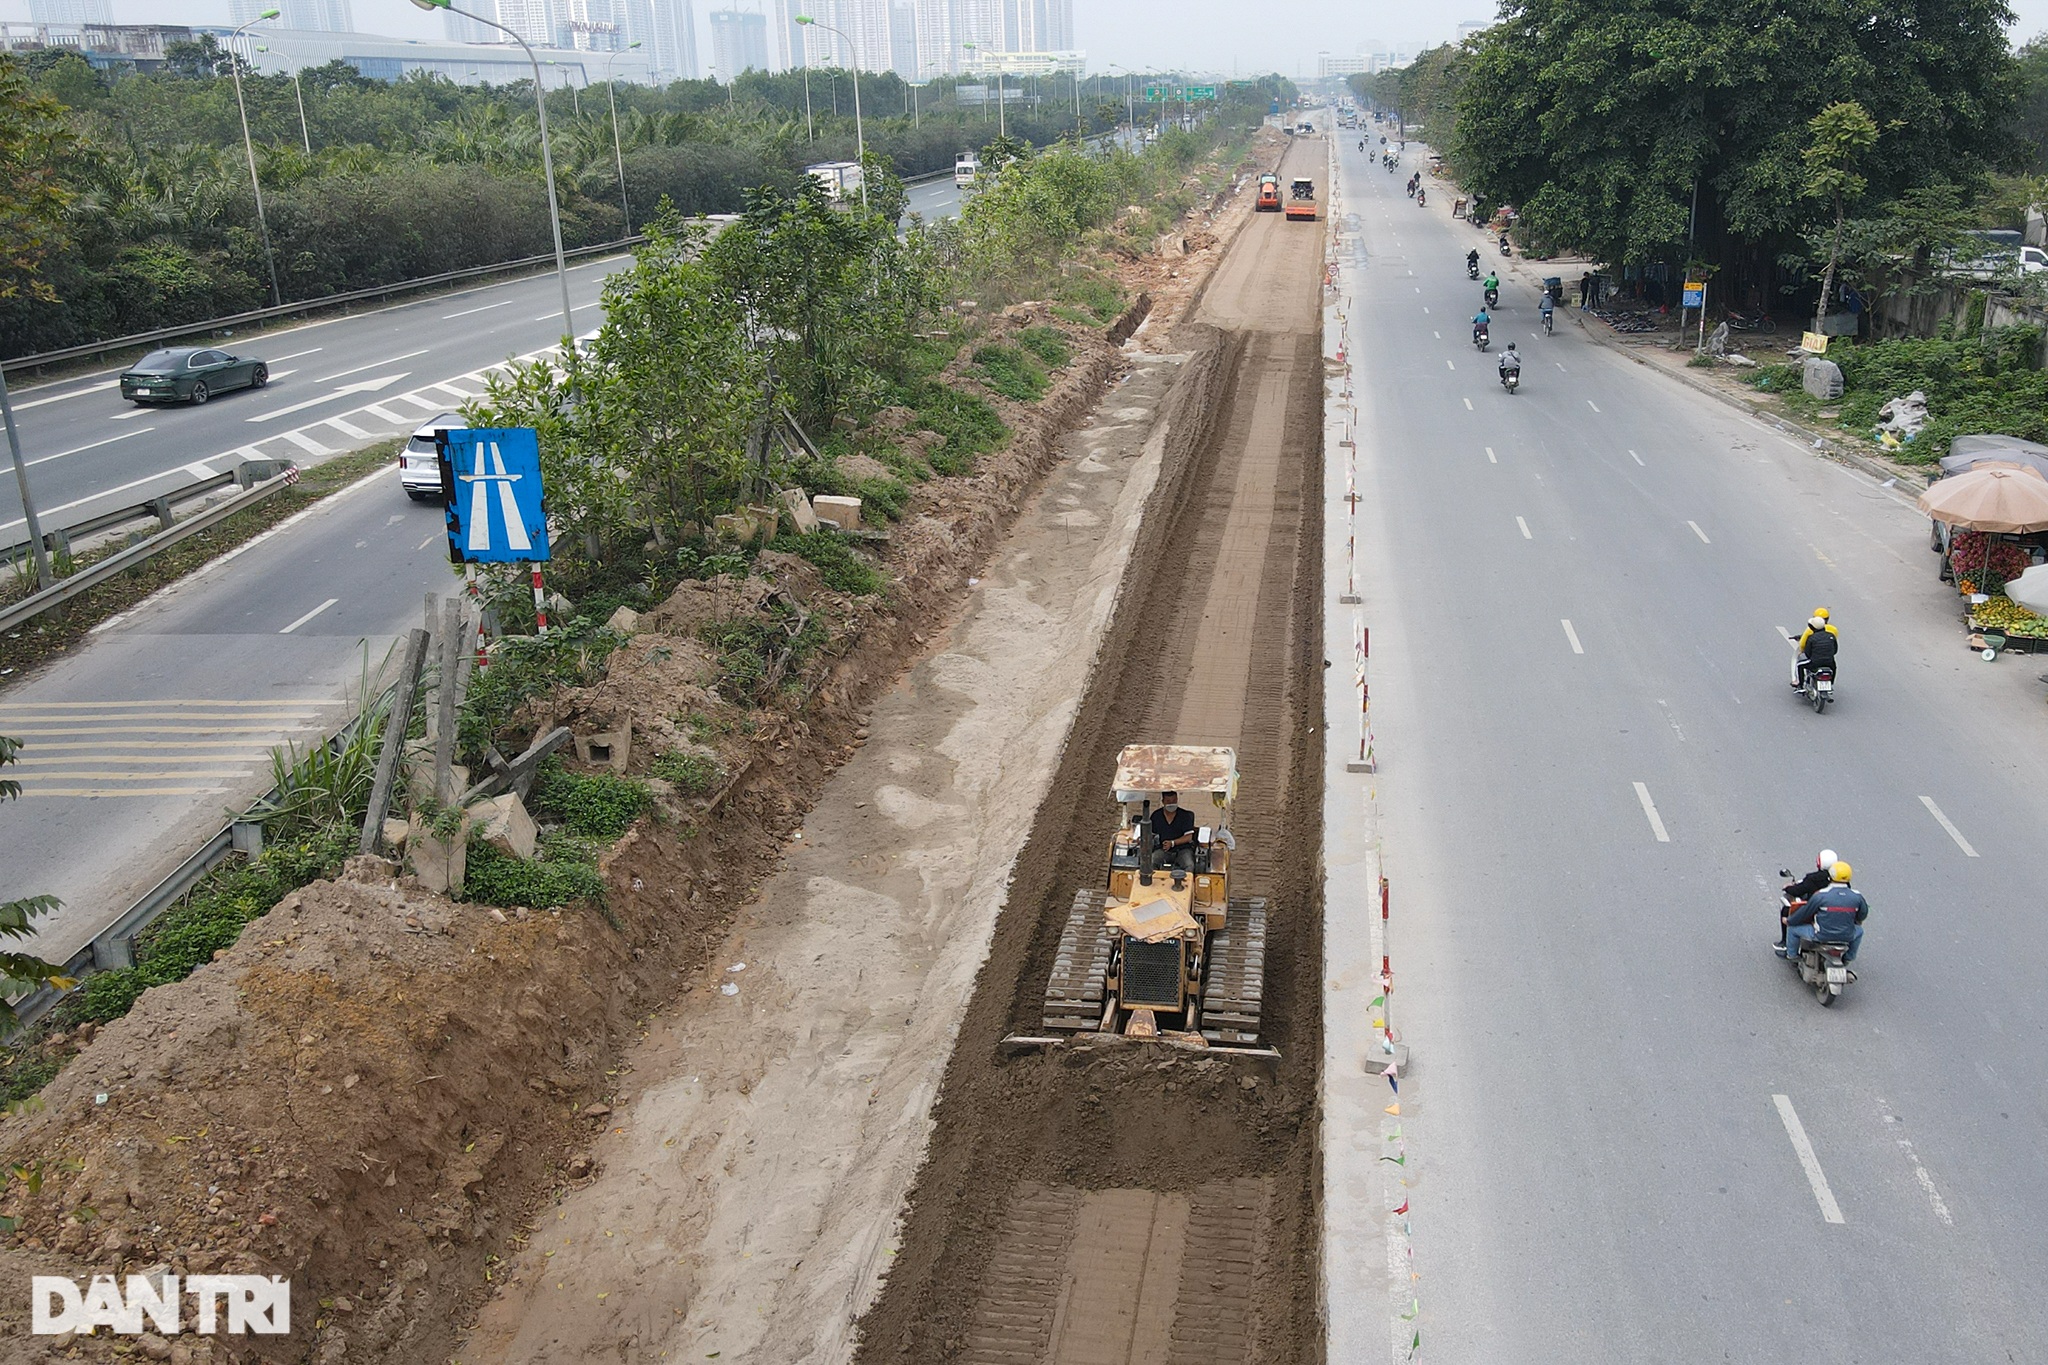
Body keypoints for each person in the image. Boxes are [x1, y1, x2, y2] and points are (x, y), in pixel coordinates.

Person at [1783, 861, 1867, 965]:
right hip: (1847, 936)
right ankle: (1849, 957)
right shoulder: (1857, 896)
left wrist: (1789, 921)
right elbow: (1863, 915)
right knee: (1860, 931)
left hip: (1821, 935)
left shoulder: (1820, 896)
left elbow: (1804, 913)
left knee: (1793, 929)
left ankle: (1792, 955)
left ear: (1830, 876)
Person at [1777, 848, 1839, 949]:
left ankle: (1786, 944)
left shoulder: (1813, 879)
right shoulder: (1841, 881)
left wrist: (1788, 887)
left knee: (1787, 912)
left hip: (1816, 915)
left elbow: (1798, 890)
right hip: (1837, 918)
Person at [1148, 791, 1198, 873]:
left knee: (1189, 865)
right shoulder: (1156, 816)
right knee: (1152, 862)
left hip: (1183, 850)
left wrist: (1172, 843)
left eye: (1174, 801)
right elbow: (1151, 834)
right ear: (1163, 802)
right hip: (1163, 850)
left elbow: (1189, 837)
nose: (1171, 804)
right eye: (1168, 802)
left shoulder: (1185, 816)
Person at [1791, 607, 1838, 688]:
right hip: (1829, 662)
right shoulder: (1832, 633)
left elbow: (1807, 651)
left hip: (1815, 663)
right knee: (1834, 667)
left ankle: (1800, 685)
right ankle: (1830, 683)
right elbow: (1835, 649)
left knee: (1800, 665)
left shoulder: (1811, 636)